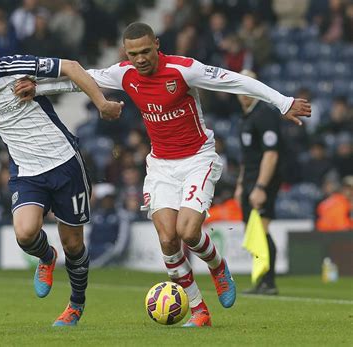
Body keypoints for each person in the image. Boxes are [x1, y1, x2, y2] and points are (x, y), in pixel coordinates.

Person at [17, 22, 311, 327]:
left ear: (157, 44)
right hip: (160, 165)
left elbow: (234, 80)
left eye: (145, 51)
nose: (140, 59)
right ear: (126, 53)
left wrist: (283, 102)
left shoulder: (184, 70)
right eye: (133, 54)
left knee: (188, 232)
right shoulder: (125, 73)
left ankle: (218, 266)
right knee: (168, 240)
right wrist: (39, 88)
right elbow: (82, 80)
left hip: (198, 159)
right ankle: (199, 310)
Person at [0, 34, 123, 326]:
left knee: (74, 245)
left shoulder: (18, 67)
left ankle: (76, 305)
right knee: (26, 234)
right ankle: (47, 257)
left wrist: (101, 103)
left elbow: (72, 67)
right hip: (26, 172)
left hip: (65, 163)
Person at [234, 69, 284, 295]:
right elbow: (248, 156)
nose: (245, 91)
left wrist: (261, 187)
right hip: (250, 180)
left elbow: (271, 154)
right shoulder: (247, 116)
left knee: (261, 228)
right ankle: (262, 280)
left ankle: (269, 282)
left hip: (264, 180)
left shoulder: (265, 113)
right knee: (252, 230)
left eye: (250, 85)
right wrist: (241, 184)